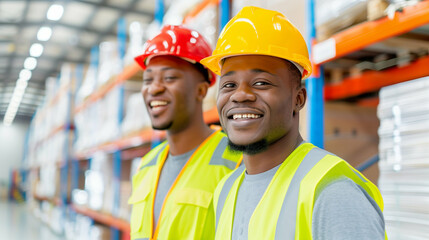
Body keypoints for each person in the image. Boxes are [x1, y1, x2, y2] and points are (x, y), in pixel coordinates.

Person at [201, 6, 386, 240]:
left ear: (298, 98)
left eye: (261, 83)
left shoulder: (333, 193)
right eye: (229, 85)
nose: (240, 95)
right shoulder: (224, 191)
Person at [128, 25, 242, 240]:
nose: (154, 88)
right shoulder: (147, 164)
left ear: (201, 90)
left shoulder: (236, 160)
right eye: (147, 80)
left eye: (169, 78)